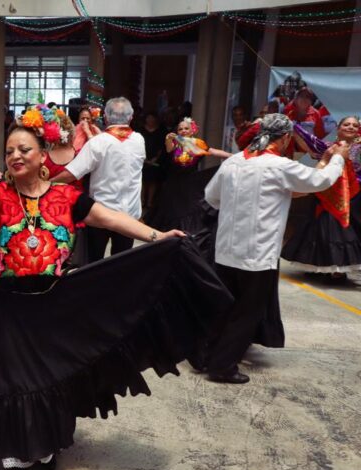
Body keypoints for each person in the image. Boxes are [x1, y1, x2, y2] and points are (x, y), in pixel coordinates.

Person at [0, 123, 231, 470]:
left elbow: (110, 219)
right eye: (10, 151)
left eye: (24, 149)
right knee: (15, 380)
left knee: (49, 377)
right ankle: (20, 448)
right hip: (9, 309)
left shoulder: (67, 197)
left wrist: (157, 236)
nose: (15, 156)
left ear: (42, 156)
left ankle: (46, 444)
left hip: (54, 304)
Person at [203, 113, 348, 384]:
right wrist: (338, 158)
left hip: (226, 250)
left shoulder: (234, 161)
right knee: (247, 312)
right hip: (258, 253)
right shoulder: (279, 166)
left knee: (224, 308)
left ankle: (205, 357)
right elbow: (321, 181)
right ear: (284, 138)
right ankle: (222, 366)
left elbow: (212, 197)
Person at [53, 97, 146, 261]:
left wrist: (46, 182)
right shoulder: (139, 140)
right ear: (131, 118)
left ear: (106, 118)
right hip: (129, 214)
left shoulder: (98, 142)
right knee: (122, 261)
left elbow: (72, 173)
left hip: (101, 214)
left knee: (94, 261)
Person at [282, 116, 361, 280]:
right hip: (327, 195)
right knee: (326, 230)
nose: (351, 127)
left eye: (355, 125)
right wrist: (293, 126)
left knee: (348, 231)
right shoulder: (328, 147)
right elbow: (306, 139)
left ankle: (340, 267)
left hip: (353, 196)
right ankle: (320, 265)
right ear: (338, 128)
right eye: (346, 124)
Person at [148, 117, 231, 233]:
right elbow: (168, 149)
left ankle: (188, 231)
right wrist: (168, 138)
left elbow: (214, 151)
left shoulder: (198, 143)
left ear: (192, 131)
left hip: (190, 182)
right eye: (180, 129)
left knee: (190, 207)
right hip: (173, 182)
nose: (183, 131)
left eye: (186, 128)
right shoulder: (175, 142)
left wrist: (233, 156)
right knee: (171, 207)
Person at [139, 112, 167, 215]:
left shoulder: (161, 132)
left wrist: (155, 158)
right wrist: (143, 157)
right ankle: (142, 201)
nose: (150, 120)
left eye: (152, 118)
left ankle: (149, 202)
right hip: (142, 159)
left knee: (152, 181)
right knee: (142, 180)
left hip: (155, 160)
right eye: (148, 118)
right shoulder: (140, 131)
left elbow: (162, 147)